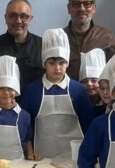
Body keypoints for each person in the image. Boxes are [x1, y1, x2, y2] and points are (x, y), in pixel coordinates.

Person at [21, 28, 95, 159]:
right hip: (41, 157)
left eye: (62, 63)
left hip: (74, 156)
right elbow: (26, 126)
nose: (57, 68)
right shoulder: (32, 90)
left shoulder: (78, 90)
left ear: (67, 64)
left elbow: (88, 124)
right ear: (44, 64)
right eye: (52, 63)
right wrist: (30, 151)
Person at [0, 0, 45, 92]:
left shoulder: (42, 46)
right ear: (5, 18)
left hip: (35, 100)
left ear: (30, 19)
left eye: (23, 16)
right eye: (13, 15)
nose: (18, 21)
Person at [63, 0, 115, 82]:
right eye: (76, 4)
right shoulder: (60, 37)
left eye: (87, 4)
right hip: (69, 90)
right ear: (69, 8)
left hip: (97, 91)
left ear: (94, 8)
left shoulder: (106, 37)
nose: (82, 8)